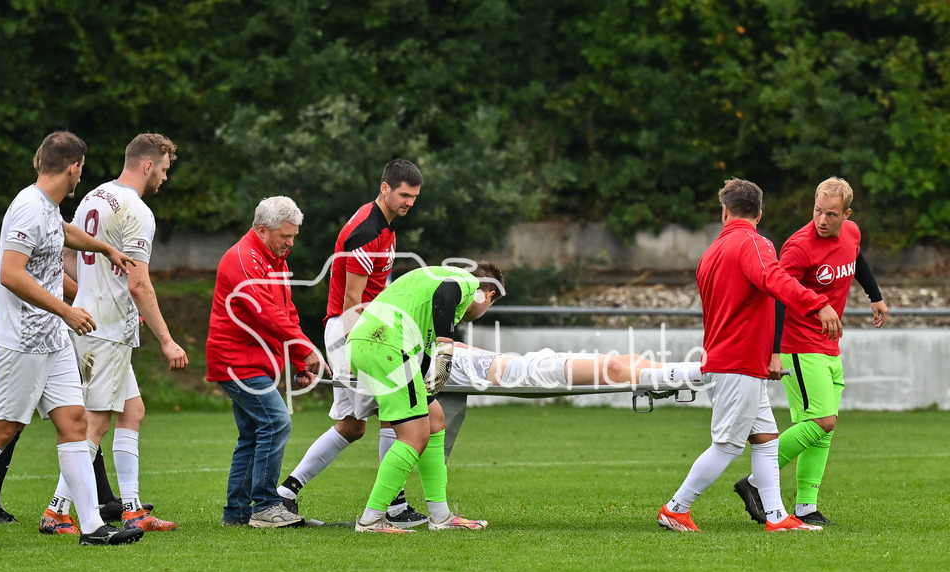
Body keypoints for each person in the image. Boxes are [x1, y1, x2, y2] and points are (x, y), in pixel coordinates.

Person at [0, 131, 143, 546]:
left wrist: (105, 249)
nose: (80, 179)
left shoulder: (48, 210)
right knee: (2, 428)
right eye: (80, 171)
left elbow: (66, 233)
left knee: (74, 423)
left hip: (51, 340)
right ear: (73, 168)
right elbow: (11, 275)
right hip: (21, 341)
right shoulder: (29, 209)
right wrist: (66, 309)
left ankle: (92, 528)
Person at [657, 178, 843, 533]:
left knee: (766, 440)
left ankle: (776, 517)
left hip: (733, 359)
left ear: (724, 211)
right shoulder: (754, 243)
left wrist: (768, 355)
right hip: (738, 362)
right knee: (727, 445)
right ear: (759, 213)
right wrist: (818, 303)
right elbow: (776, 280)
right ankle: (676, 508)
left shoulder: (712, 252)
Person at [38, 133, 188, 535]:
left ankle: (134, 510)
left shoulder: (95, 195)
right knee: (94, 424)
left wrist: (89, 290)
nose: (165, 178)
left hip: (94, 318)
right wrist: (167, 339)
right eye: (164, 169)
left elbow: (67, 253)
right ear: (148, 165)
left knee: (132, 411)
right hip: (105, 329)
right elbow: (140, 283)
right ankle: (56, 511)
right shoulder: (137, 210)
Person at [278, 160, 426, 528]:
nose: (409, 202)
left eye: (414, 197)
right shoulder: (367, 231)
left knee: (352, 425)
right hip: (354, 333)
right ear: (385, 188)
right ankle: (392, 506)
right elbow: (352, 303)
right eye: (404, 195)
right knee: (396, 414)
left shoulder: (383, 224)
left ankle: (286, 493)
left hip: (357, 332)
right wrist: (354, 357)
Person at [733, 177, 888, 526]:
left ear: (846, 215)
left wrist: (874, 295)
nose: (821, 220)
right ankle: (756, 482)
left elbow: (856, 257)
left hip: (829, 346)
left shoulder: (851, 233)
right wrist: (774, 352)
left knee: (821, 428)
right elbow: (777, 296)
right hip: (799, 346)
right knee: (822, 420)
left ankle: (805, 507)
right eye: (817, 211)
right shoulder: (798, 246)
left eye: (831, 214)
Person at [347, 262, 505, 533]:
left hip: (375, 344)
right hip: (386, 347)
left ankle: (440, 516)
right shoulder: (465, 282)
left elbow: (424, 343)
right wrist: (447, 347)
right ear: (488, 294)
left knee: (434, 418)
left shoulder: (434, 283)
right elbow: (446, 293)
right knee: (415, 435)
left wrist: (426, 378)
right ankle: (371, 519)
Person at [206, 196, 327, 528]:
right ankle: (265, 506)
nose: (290, 243)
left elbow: (286, 314)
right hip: (236, 362)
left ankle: (238, 513)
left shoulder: (276, 259)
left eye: (293, 236)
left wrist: (302, 359)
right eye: (285, 236)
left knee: (253, 433)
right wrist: (305, 350)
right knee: (277, 422)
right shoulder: (242, 259)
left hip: (256, 361)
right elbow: (266, 315)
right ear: (262, 229)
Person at [449, 344, 702, 389]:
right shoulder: (417, 363)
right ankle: (697, 373)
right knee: (613, 368)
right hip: (519, 374)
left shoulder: (431, 341)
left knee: (629, 359)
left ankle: (700, 367)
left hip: (522, 360)